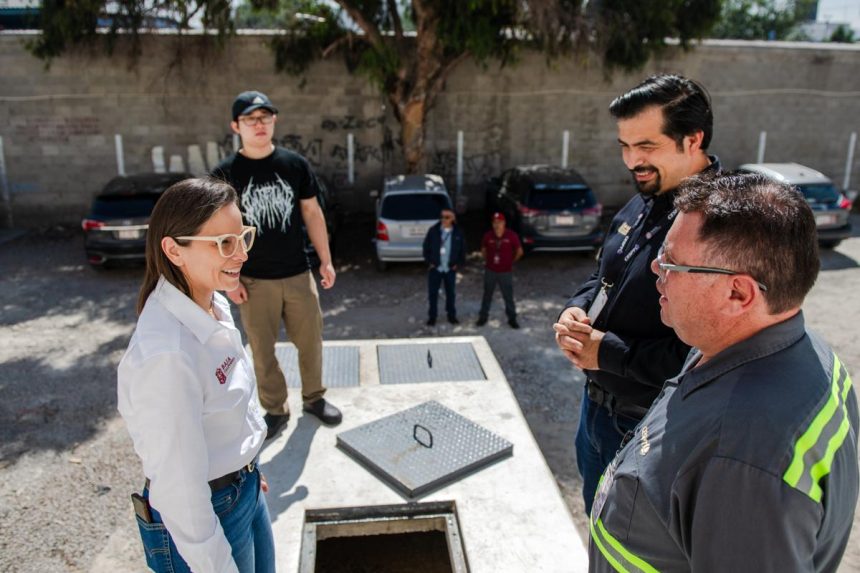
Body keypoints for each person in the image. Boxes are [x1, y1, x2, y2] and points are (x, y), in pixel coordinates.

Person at [588, 172, 859, 571]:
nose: (655, 271)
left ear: (739, 293)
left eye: (672, 264)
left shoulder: (743, 460)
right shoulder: (777, 346)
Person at [553, 74, 720, 514]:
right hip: (595, 411)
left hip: (645, 425)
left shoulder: (718, 226)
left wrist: (606, 353)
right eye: (625, 146)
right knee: (598, 528)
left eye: (646, 146)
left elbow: (701, 355)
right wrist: (576, 309)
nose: (632, 161)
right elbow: (602, 277)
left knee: (635, 545)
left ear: (692, 139)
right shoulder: (643, 199)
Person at [117, 178, 275, 573]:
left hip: (244, 490)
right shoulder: (166, 354)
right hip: (208, 517)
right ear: (174, 250)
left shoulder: (213, 301)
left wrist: (249, 466)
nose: (241, 254)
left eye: (242, 237)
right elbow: (178, 490)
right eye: (224, 243)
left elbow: (235, 398)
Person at [212, 90, 341, 438]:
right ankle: (275, 409)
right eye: (251, 120)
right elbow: (219, 231)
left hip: (298, 274)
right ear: (235, 126)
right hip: (253, 281)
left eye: (265, 118)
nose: (259, 125)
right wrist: (228, 279)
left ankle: (314, 398)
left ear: (274, 122)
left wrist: (325, 261)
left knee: (311, 342)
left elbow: (312, 213)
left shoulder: (294, 164)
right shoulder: (225, 173)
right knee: (262, 352)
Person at [476, 212, 523, 329]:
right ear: (492, 224)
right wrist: (489, 261)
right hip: (490, 270)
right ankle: (483, 317)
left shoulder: (511, 235)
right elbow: (483, 250)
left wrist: (510, 261)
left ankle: (512, 319)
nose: (497, 225)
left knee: (508, 296)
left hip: (505, 271)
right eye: (495, 223)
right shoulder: (488, 236)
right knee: (487, 294)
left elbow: (519, 251)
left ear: (504, 223)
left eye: (500, 222)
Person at [422, 207, 466, 326]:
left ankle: (451, 316)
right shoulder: (433, 230)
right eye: (442, 217)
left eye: (447, 217)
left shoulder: (458, 232)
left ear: (453, 218)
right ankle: (432, 317)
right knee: (433, 294)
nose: (443, 219)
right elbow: (425, 248)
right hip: (435, 268)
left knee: (450, 293)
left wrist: (458, 264)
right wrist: (429, 262)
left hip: (450, 269)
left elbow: (463, 250)